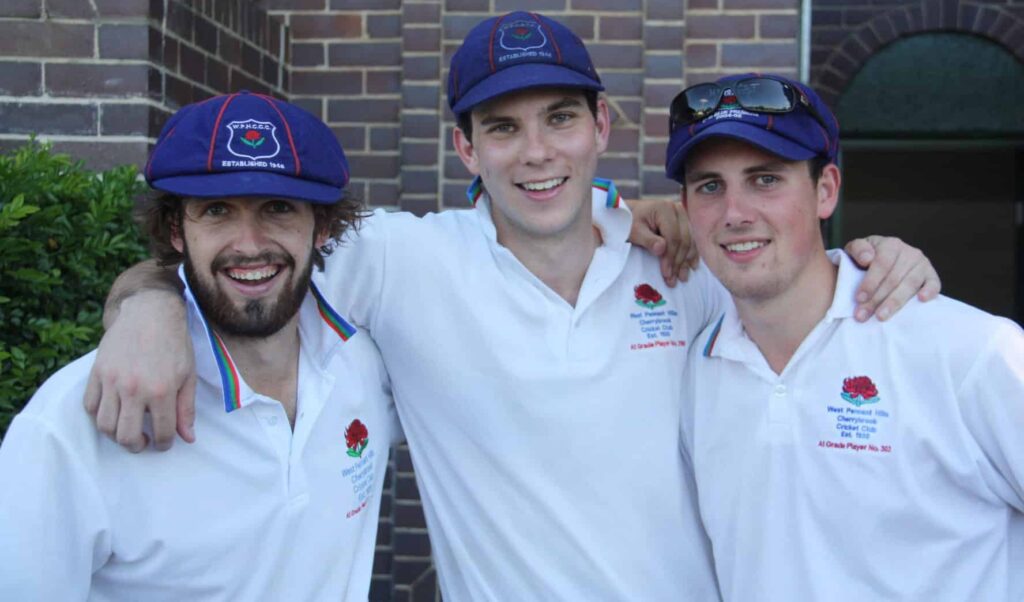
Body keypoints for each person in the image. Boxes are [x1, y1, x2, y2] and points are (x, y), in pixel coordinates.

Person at [82, 13, 939, 600]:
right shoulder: (403, 259)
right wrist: (149, 312)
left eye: (559, 118)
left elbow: (800, 284)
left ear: (601, 126)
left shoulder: (685, 257)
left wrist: (885, 256)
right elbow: (241, 267)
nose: (536, 153)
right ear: (465, 147)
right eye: (502, 127)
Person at [0, 92, 400, 599]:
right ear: (176, 230)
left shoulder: (365, 367)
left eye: (278, 208)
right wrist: (145, 300)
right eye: (216, 210)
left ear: (320, 226)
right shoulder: (71, 423)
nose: (249, 244)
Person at [669, 73, 1024, 600]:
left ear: (826, 190)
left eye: (765, 179)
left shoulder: (969, 351)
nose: (735, 213)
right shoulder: (696, 372)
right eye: (710, 187)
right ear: (685, 208)